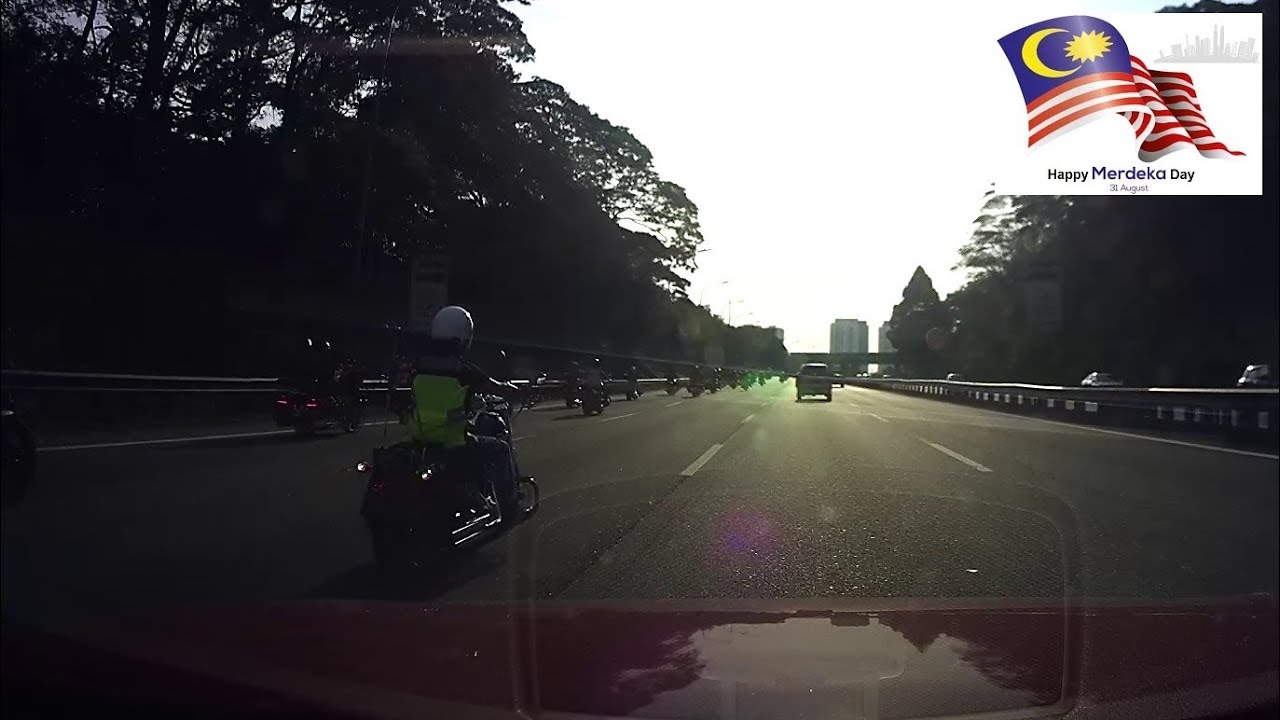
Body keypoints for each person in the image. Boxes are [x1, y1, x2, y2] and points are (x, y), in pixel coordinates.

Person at [405, 306, 523, 507]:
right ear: (464, 335)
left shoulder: (418, 365)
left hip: (421, 439)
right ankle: (510, 507)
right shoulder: (462, 369)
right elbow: (495, 387)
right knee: (500, 449)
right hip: (454, 440)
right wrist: (515, 390)